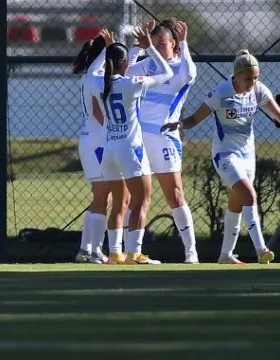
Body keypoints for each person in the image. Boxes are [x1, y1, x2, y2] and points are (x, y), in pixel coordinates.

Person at [163, 50, 280, 264]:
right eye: (248, 79)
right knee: (249, 194)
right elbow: (194, 119)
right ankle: (261, 249)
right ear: (235, 76)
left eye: (256, 78)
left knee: (237, 203)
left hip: (248, 156)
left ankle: (225, 255)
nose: (252, 82)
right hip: (225, 155)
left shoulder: (258, 90)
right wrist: (179, 125)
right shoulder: (221, 92)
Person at [97, 22, 173, 265]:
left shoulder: (101, 83)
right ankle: (135, 253)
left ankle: (114, 253)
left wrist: (121, 50)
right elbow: (167, 73)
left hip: (109, 149)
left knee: (119, 204)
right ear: (123, 64)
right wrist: (149, 48)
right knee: (142, 199)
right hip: (130, 148)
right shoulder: (133, 84)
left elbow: (120, 66)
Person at [127, 18, 199, 263]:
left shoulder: (181, 67)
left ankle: (191, 253)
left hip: (164, 138)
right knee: (135, 197)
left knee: (175, 195)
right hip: (137, 138)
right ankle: (131, 252)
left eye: (161, 43)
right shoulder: (147, 65)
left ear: (174, 44)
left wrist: (186, 43)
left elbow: (190, 74)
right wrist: (138, 48)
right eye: (154, 44)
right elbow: (123, 72)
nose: (157, 48)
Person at [73, 31, 129, 264]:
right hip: (96, 141)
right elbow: (98, 114)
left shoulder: (90, 76)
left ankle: (86, 249)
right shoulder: (95, 76)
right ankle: (94, 250)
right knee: (101, 198)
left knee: (101, 198)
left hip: (90, 140)